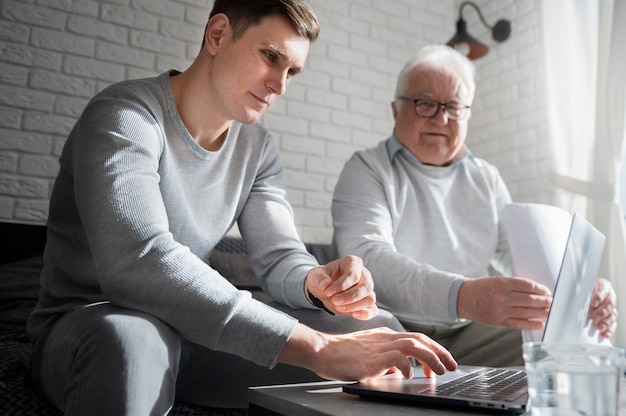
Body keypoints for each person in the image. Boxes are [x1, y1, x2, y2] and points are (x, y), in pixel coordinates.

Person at [26, 4, 459, 415]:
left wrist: (317, 282)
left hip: (189, 329)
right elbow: (139, 263)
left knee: (381, 333)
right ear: (218, 34)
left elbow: (280, 258)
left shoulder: (257, 149)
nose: (280, 85)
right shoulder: (124, 116)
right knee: (130, 339)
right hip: (94, 324)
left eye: (292, 71)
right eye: (271, 57)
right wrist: (316, 348)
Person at [332, 44, 618, 367]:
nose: (441, 118)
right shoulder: (366, 169)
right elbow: (369, 260)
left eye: (453, 107)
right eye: (425, 104)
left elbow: (520, 257)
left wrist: (580, 293)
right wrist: (465, 297)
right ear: (396, 109)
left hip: (469, 331)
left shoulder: (487, 178)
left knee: (567, 338)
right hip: (391, 327)